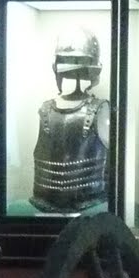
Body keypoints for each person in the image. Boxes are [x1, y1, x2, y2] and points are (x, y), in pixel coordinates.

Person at [31, 35, 111, 213]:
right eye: (67, 61)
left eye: (80, 62)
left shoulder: (100, 109)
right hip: (44, 201)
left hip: (90, 202)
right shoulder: (45, 109)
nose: (74, 68)